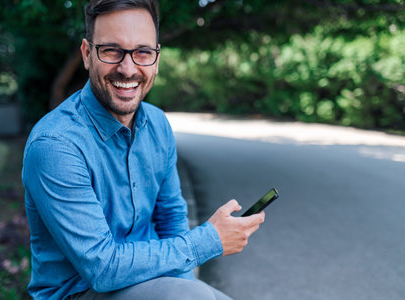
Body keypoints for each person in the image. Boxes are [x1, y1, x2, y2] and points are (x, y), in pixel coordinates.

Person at [22, 0, 266, 299]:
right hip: (80, 292)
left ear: (156, 58)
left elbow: (171, 218)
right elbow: (102, 267)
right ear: (87, 54)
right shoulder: (55, 145)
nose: (128, 68)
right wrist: (207, 241)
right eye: (111, 51)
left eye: (143, 52)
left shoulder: (158, 124)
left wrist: (185, 286)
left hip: (152, 282)